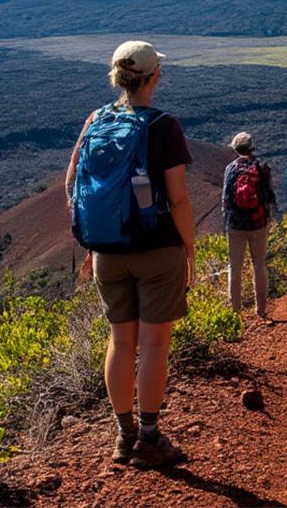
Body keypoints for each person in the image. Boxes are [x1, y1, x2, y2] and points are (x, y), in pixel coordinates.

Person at [66, 40, 194, 469]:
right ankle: (150, 437)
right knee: (154, 344)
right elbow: (178, 199)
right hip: (157, 250)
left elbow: (73, 183)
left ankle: (124, 436)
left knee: (120, 342)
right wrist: (189, 248)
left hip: (107, 251)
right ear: (154, 77)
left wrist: (93, 237)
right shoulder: (163, 125)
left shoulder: (96, 119)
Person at [221, 131, 276, 322]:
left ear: (236, 148)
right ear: (252, 147)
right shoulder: (262, 167)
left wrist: (227, 221)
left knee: (234, 268)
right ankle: (261, 311)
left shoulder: (231, 168)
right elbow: (269, 196)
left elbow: (226, 199)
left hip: (236, 225)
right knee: (259, 265)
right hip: (258, 223)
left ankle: (235, 313)